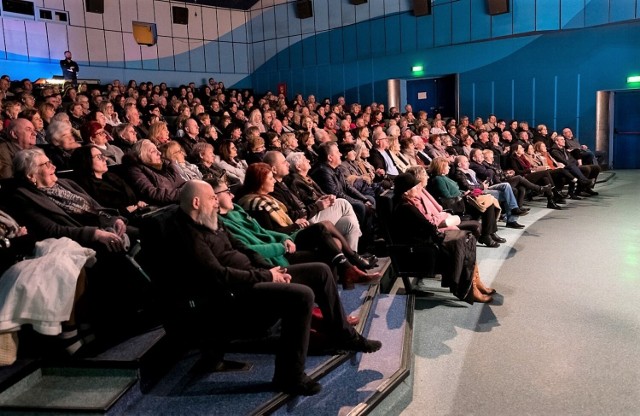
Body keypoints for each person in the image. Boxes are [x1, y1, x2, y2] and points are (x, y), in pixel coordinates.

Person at [152, 180, 381, 395]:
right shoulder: (187, 235)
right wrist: (266, 276)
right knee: (301, 296)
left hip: (255, 276)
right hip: (234, 293)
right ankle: (289, 376)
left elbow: (243, 248)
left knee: (320, 271)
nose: (216, 201)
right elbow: (219, 275)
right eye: (212, 197)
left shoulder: (211, 220)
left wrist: (272, 270)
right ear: (196, 202)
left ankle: (344, 336)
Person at [392, 173, 494, 303]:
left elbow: (429, 225)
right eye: (416, 188)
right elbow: (428, 226)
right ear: (406, 192)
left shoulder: (407, 203)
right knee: (463, 242)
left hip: (427, 239)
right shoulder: (406, 207)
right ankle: (469, 289)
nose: (419, 191)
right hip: (422, 246)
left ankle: (475, 282)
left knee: (467, 238)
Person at [428, 157, 503, 248]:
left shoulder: (443, 177)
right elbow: (446, 197)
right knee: (486, 205)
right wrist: (463, 195)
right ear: (441, 167)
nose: (449, 168)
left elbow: (456, 190)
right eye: (447, 166)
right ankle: (487, 235)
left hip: (461, 201)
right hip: (456, 206)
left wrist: (464, 193)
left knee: (489, 203)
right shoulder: (438, 179)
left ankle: (489, 233)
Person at [70, 145, 148, 219]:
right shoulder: (85, 187)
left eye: (103, 155)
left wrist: (138, 204)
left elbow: (131, 198)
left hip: (136, 213)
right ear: (86, 161)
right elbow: (101, 213)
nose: (105, 159)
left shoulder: (112, 177)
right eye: (99, 157)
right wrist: (125, 211)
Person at [124, 139, 186, 205]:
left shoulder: (168, 164)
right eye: (153, 151)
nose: (159, 153)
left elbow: (182, 182)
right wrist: (184, 193)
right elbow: (152, 193)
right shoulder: (136, 170)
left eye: (157, 149)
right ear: (142, 156)